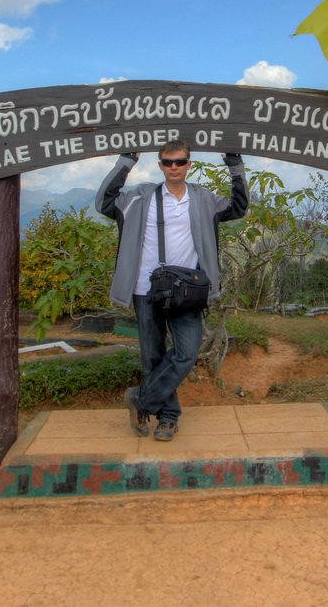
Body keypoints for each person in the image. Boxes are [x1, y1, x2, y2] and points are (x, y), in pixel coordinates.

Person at [96, 141, 248, 441]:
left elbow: (239, 207)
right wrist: (126, 161)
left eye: (179, 162)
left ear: (189, 163)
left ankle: (140, 400)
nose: (174, 167)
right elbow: (104, 202)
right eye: (168, 162)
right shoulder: (140, 197)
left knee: (186, 353)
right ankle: (167, 418)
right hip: (145, 289)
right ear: (160, 165)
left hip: (186, 291)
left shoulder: (203, 199)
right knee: (152, 356)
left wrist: (235, 166)